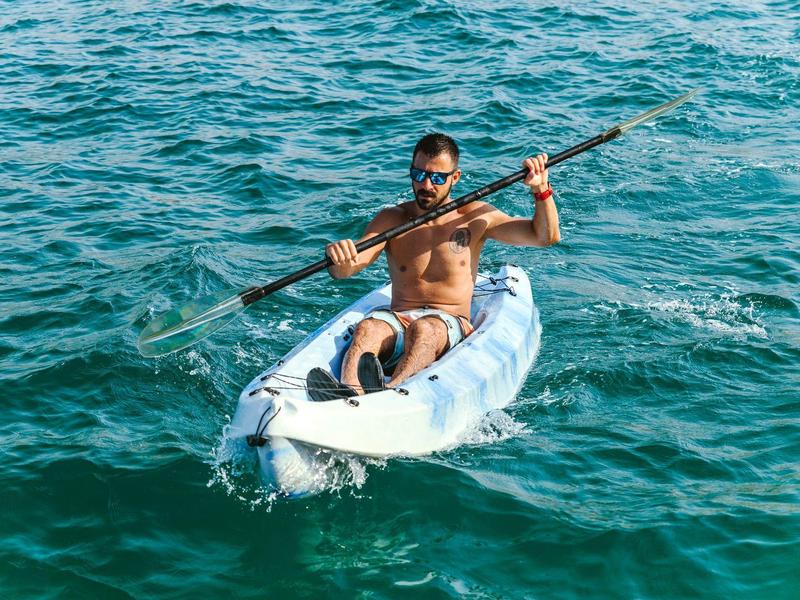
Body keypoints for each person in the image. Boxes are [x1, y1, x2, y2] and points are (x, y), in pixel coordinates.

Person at [306, 133, 560, 399]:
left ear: (455, 177)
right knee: (368, 328)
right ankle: (348, 391)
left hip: (448, 323)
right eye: (418, 175)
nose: (425, 184)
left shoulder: (474, 216)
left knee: (424, 329)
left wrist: (540, 190)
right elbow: (350, 267)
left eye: (437, 178)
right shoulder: (393, 218)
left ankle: (391, 395)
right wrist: (340, 259)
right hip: (398, 318)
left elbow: (544, 237)